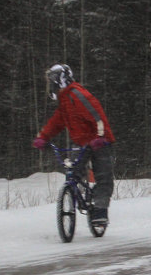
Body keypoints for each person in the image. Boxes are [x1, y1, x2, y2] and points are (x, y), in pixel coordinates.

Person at [32, 63, 115, 225]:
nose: (52, 85)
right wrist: (43, 137)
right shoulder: (64, 101)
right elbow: (56, 122)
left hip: (100, 141)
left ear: (62, 79)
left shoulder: (77, 94)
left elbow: (97, 115)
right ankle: (73, 196)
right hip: (81, 143)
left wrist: (101, 136)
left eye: (54, 80)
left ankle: (100, 210)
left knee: (103, 176)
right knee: (73, 172)